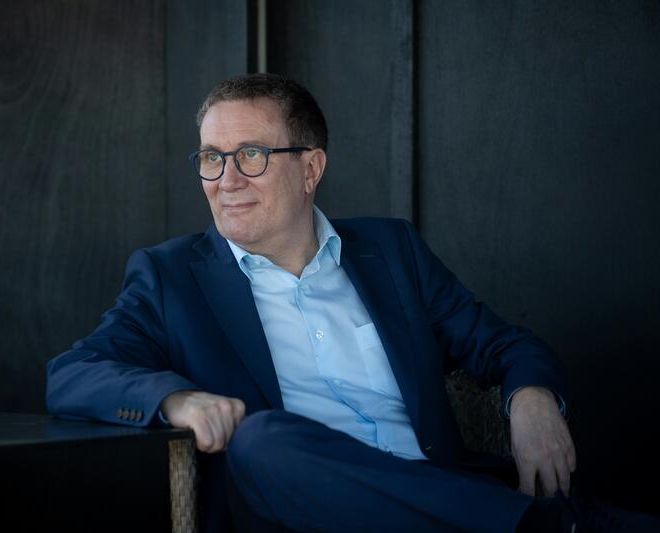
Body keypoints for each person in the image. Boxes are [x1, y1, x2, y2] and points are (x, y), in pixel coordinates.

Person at [46, 73, 652, 532]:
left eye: (251, 155)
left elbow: (504, 344)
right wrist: (174, 399)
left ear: (310, 168)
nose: (226, 180)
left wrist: (533, 398)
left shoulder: (391, 252)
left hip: (439, 491)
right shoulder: (171, 277)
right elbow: (72, 373)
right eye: (212, 158)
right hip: (301, 510)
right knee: (260, 441)